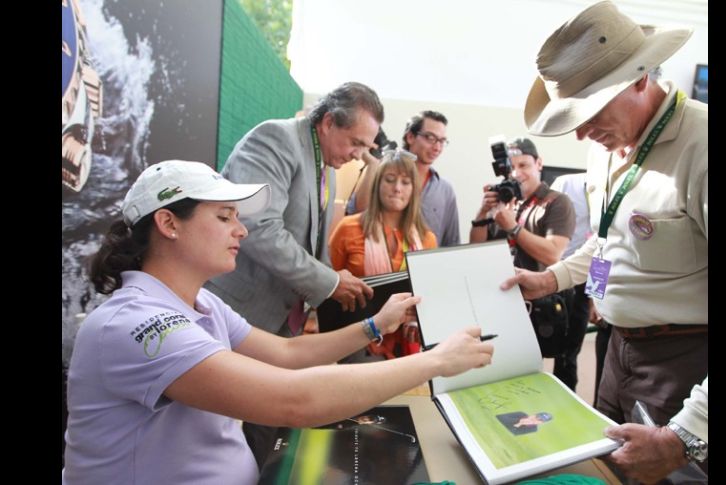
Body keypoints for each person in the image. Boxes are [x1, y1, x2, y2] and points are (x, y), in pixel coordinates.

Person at [62, 160, 494, 485]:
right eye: (224, 216)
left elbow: (287, 354)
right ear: (169, 223)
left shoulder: (201, 304)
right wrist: (436, 361)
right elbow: (292, 401)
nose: (242, 231)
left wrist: (377, 324)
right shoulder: (136, 324)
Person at [502, 1, 707, 480]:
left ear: (640, 78)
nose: (581, 134)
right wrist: (553, 279)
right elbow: (608, 242)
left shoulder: (700, 147)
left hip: (683, 363)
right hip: (617, 353)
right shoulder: (607, 148)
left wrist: (687, 434)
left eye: (589, 110)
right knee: (610, 471)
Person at [206, 81, 383, 340]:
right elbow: (258, 228)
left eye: (365, 147)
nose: (358, 155)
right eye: (356, 143)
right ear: (328, 122)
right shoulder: (275, 139)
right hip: (239, 311)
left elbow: (312, 246)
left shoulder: (328, 168)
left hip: (283, 322)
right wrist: (330, 282)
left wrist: (334, 281)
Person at [469, 137, 576, 386]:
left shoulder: (556, 202)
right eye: (512, 167)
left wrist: (513, 227)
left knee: (536, 376)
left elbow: (552, 254)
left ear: (539, 163)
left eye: (524, 165)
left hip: (540, 306)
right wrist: (483, 214)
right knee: (500, 373)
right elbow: (477, 250)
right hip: (502, 301)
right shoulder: (507, 202)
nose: (517, 173)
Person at [330, 149, 437, 360]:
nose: (397, 188)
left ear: (414, 190)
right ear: (377, 184)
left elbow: (428, 293)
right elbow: (329, 287)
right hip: (356, 343)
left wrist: (416, 320)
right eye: (390, 180)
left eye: (406, 182)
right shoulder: (348, 229)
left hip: (408, 345)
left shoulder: (427, 239)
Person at [347, 110, 460, 247]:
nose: (437, 147)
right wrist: (372, 166)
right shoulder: (380, 176)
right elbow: (356, 217)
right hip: (377, 260)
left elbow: (451, 243)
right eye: (430, 138)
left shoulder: (445, 191)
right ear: (410, 137)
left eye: (442, 141)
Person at [549, 172, 592, 391]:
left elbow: (601, 250)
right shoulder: (566, 183)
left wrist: (596, 296)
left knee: (570, 351)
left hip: (586, 280)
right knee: (548, 339)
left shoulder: (612, 191)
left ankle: (565, 398)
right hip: (557, 273)